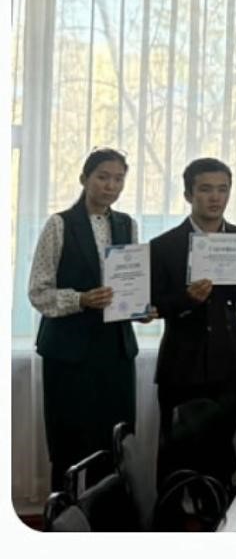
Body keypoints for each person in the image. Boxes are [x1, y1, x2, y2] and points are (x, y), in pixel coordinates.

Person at [28, 148, 155, 491]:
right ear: (84, 179)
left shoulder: (127, 224)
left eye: (118, 179)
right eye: (103, 177)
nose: (111, 186)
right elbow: (38, 291)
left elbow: (129, 284)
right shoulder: (59, 224)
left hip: (115, 350)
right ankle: (64, 513)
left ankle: (108, 514)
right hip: (69, 352)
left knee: (115, 443)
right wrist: (81, 299)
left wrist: (140, 309)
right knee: (69, 443)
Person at [151, 158, 236, 489]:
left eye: (222, 189)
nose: (215, 197)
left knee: (221, 454)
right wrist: (187, 299)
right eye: (205, 189)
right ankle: (171, 515)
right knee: (176, 456)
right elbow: (153, 305)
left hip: (229, 362)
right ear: (189, 194)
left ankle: (220, 514)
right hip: (181, 364)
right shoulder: (165, 245)